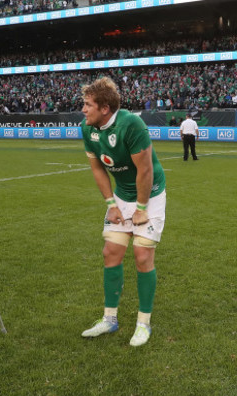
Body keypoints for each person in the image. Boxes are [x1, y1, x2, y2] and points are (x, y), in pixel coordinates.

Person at [79, 77, 166, 347]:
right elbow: (97, 169)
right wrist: (111, 204)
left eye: (88, 105)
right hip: (122, 195)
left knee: (142, 255)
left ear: (105, 108)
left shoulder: (131, 124)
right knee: (111, 252)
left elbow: (146, 170)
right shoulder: (87, 129)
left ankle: (143, 323)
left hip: (150, 194)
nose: (83, 110)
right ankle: (109, 319)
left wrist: (141, 209)